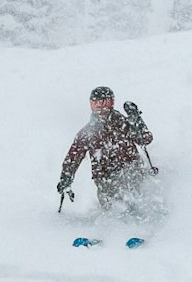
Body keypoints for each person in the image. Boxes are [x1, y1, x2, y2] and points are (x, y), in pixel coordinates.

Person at [58, 86, 156, 218]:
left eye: (104, 103)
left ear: (111, 103)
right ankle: (111, 228)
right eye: (96, 103)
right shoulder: (87, 133)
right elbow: (73, 156)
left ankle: (144, 220)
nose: (100, 108)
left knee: (134, 196)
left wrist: (137, 120)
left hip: (131, 170)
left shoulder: (124, 124)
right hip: (105, 178)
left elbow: (145, 139)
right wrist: (66, 178)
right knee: (113, 206)